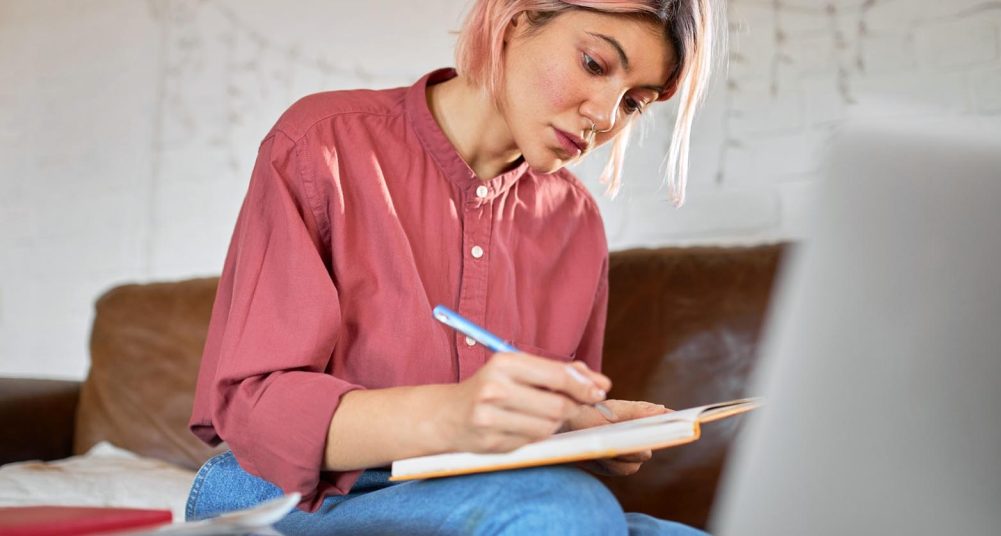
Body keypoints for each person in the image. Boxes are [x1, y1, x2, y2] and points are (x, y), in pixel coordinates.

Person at [186, 0, 721, 534]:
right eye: (595, 65)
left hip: (484, 498)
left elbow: (524, 462)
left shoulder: (574, 221)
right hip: (298, 499)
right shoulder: (323, 142)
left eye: (633, 103)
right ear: (516, 22)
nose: (605, 117)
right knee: (567, 509)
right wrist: (452, 414)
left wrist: (579, 425)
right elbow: (255, 407)